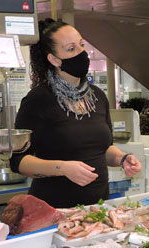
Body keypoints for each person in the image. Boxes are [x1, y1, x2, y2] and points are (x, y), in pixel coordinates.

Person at [10, 19, 141, 208]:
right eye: (71, 49)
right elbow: (19, 161)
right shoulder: (37, 100)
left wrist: (122, 158)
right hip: (54, 210)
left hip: (98, 207)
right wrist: (63, 168)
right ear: (54, 59)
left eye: (81, 45)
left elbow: (102, 149)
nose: (81, 53)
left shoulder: (97, 96)